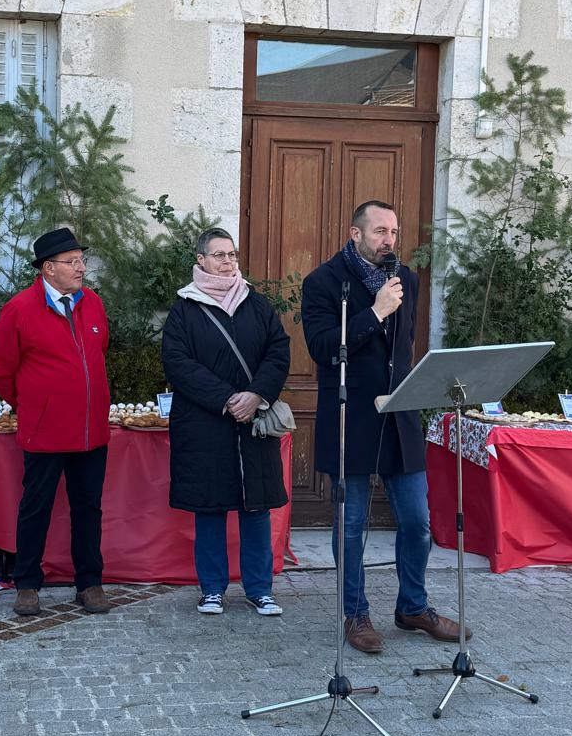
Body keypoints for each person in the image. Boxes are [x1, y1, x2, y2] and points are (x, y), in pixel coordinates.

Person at [301, 199, 462, 655]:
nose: (389, 240)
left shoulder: (406, 280)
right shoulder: (324, 282)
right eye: (379, 232)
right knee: (351, 524)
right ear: (355, 234)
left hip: (399, 417)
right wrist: (374, 313)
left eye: (393, 231)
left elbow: (404, 351)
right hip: (351, 417)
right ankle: (355, 613)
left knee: (418, 522)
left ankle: (413, 606)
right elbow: (322, 348)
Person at [162, 228, 291, 616]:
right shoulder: (185, 308)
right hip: (205, 424)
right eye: (219, 255)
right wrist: (226, 399)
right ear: (200, 260)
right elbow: (177, 363)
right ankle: (213, 589)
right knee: (210, 508)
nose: (228, 262)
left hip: (253, 420)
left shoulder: (256, 304)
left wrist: (255, 395)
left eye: (232, 255)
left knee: (256, 508)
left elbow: (279, 351)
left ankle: (259, 589)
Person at [0, 227, 112, 618]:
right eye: (72, 262)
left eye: (82, 260)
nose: (81, 268)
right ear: (48, 268)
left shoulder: (93, 303)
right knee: (35, 508)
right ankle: (27, 584)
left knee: (88, 508)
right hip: (45, 430)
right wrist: (31, 404)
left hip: (91, 430)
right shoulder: (21, 308)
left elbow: (100, 349)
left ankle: (89, 583)